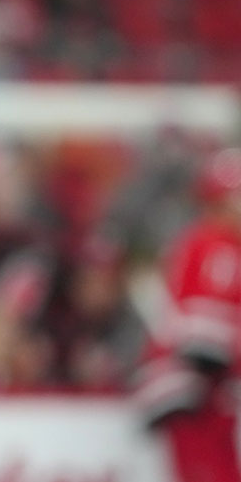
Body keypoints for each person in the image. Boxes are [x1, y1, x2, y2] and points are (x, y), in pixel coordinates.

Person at [135, 147, 241, 482]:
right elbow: (205, 347)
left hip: (192, 388)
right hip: (195, 391)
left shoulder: (200, 241)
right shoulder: (216, 244)